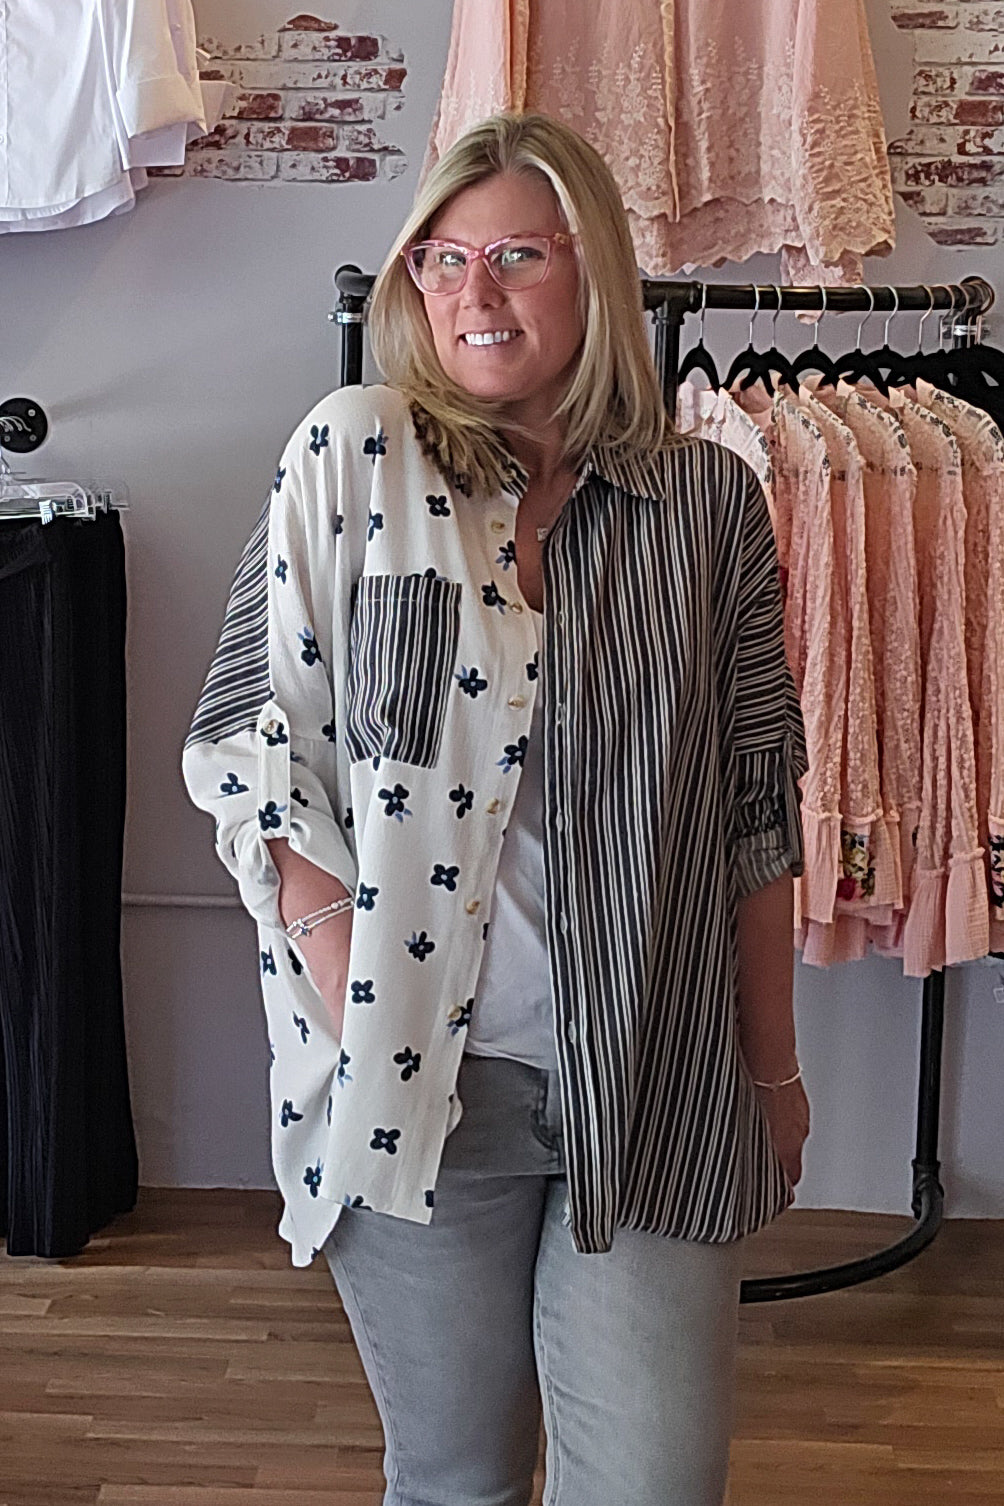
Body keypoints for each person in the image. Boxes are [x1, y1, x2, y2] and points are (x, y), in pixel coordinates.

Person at [182, 111, 811, 1506]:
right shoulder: (351, 458)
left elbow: (757, 812)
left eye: (518, 255)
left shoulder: (708, 508)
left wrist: (771, 1070)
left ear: (594, 275)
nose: (475, 293)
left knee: (652, 1481)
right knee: (458, 1476)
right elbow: (252, 741)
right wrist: (353, 992)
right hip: (419, 1092)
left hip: (654, 1073)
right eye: (444, 259)